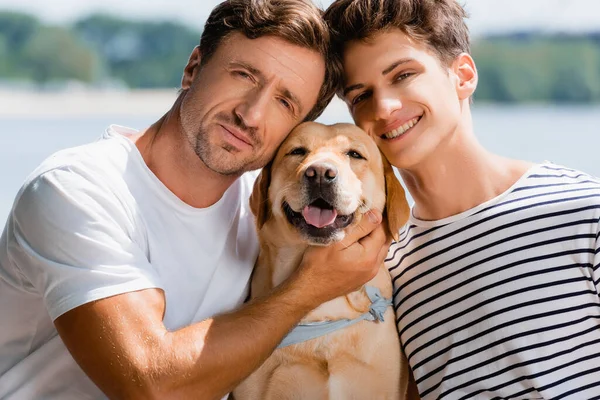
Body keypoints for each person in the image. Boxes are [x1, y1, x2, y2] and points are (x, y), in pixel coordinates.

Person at [0, 1, 392, 399]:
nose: (252, 114)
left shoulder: (268, 213)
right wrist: (308, 289)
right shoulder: (77, 190)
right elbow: (152, 385)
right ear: (193, 69)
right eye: (243, 75)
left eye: (285, 102)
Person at [324, 0, 600, 399]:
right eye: (361, 96)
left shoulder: (582, 212)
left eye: (403, 75)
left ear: (463, 76)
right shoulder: (381, 265)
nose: (383, 108)